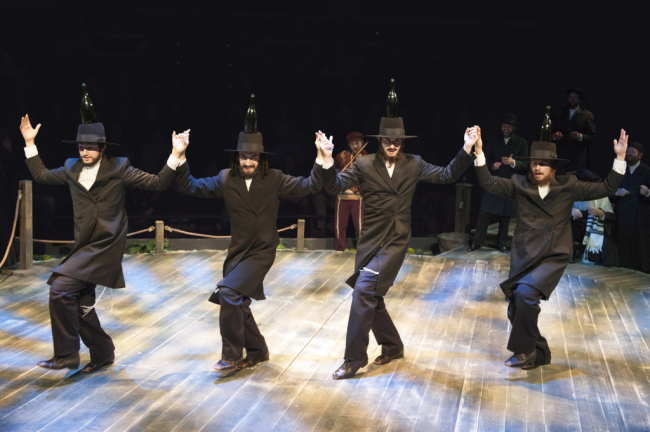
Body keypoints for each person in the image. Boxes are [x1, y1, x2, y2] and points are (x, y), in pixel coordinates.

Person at [324, 84, 478, 379]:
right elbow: (333, 186)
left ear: (402, 141)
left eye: (397, 140)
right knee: (373, 296)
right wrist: (326, 160)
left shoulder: (414, 164)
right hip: (370, 239)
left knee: (363, 291)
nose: (392, 144)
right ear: (379, 140)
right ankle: (393, 346)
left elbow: (447, 175)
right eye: (387, 140)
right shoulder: (365, 165)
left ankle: (354, 359)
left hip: (396, 240)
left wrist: (467, 149)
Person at [173, 101, 335, 372]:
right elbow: (188, 186)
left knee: (227, 292)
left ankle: (233, 355)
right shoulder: (225, 179)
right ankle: (258, 351)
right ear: (236, 157)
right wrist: (179, 155)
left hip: (262, 250)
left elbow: (311, 185)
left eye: (254, 157)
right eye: (244, 156)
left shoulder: (275, 178)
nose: (248, 161)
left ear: (261, 159)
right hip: (238, 251)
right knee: (238, 301)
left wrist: (322, 157)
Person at [19, 113, 184, 373]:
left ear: (103, 148)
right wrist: (30, 142)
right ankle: (103, 352)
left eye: (91, 147)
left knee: (61, 288)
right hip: (83, 245)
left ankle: (66, 355)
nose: (85, 151)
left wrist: (176, 153)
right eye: (81, 147)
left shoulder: (119, 167)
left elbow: (157, 182)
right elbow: (41, 175)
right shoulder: (71, 167)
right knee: (80, 303)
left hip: (107, 244)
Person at [473, 124, 627, 370]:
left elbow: (607, 187)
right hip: (525, 254)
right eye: (534, 162)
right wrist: (479, 152)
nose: (537, 167)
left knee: (526, 296)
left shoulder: (568, 185)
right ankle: (541, 353)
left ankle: (523, 352)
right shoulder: (518, 183)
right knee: (516, 306)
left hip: (553, 254)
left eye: (543, 163)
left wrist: (620, 157)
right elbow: (488, 182)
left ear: (554, 167)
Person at [469, 113, 528, 252]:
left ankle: (501, 244)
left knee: (505, 215)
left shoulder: (521, 142)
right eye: (503, 125)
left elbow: (525, 164)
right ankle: (476, 243)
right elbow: (485, 158)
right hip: (494, 181)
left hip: (509, 182)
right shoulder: (494, 140)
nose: (505, 128)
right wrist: (492, 165)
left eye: (508, 126)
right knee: (484, 213)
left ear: (514, 128)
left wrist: (513, 162)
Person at [610, 142, 650, 273]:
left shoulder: (647, 171)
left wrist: (648, 192)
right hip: (623, 213)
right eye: (628, 152)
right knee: (622, 242)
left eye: (633, 152)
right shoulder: (620, 169)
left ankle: (642, 271)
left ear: (640, 155)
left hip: (641, 214)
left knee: (640, 244)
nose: (629, 154)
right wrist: (617, 191)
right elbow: (609, 189)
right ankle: (622, 268)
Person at [570, 170, 617, 267]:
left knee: (610, 245)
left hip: (594, 228)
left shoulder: (600, 195)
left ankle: (610, 272)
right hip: (575, 227)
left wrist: (601, 213)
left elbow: (611, 217)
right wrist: (570, 210)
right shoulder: (570, 193)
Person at [333, 131, 367, 251]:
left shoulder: (365, 158)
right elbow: (333, 168)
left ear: (362, 143)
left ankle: (363, 250)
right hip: (342, 196)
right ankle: (339, 250)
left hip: (357, 197)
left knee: (360, 226)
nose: (356, 146)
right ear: (349, 144)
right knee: (339, 226)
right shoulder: (342, 156)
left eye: (358, 143)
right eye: (352, 143)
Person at [551, 88, 596, 173]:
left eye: (575, 97)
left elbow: (592, 137)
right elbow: (550, 132)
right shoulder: (559, 113)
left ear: (579, 99)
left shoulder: (587, 115)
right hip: (561, 156)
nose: (572, 99)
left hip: (577, 158)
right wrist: (554, 135)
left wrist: (580, 136)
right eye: (570, 97)